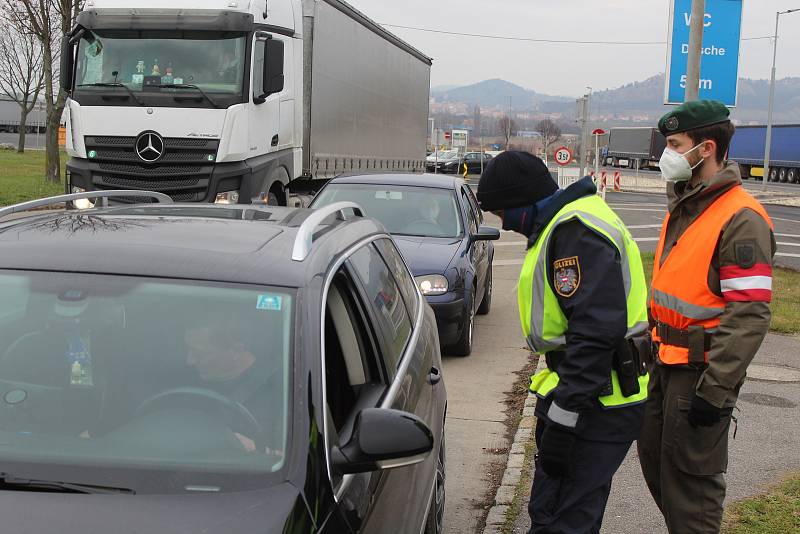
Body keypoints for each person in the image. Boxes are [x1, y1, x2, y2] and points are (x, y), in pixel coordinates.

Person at [477, 151, 650, 533]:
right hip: (594, 392)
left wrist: (566, 417)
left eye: (502, 212)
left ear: (523, 199)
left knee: (561, 520)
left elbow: (594, 331)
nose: (504, 225)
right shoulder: (569, 222)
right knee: (567, 512)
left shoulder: (574, 231)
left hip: (596, 400)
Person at [638, 100, 776, 534]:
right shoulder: (684, 206)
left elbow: (749, 313)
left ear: (707, 148)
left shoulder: (741, 218)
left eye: (676, 145)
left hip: (698, 377)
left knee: (692, 498)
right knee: (662, 477)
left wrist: (714, 391)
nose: (667, 154)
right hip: (664, 367)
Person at [184, 317, 283, 453]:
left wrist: (259, 450)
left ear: (236, 351)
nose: (189, 361)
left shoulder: (280, 387)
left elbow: (293, 459)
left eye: (199, 353)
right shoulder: (187, 380)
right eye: (188, 350)